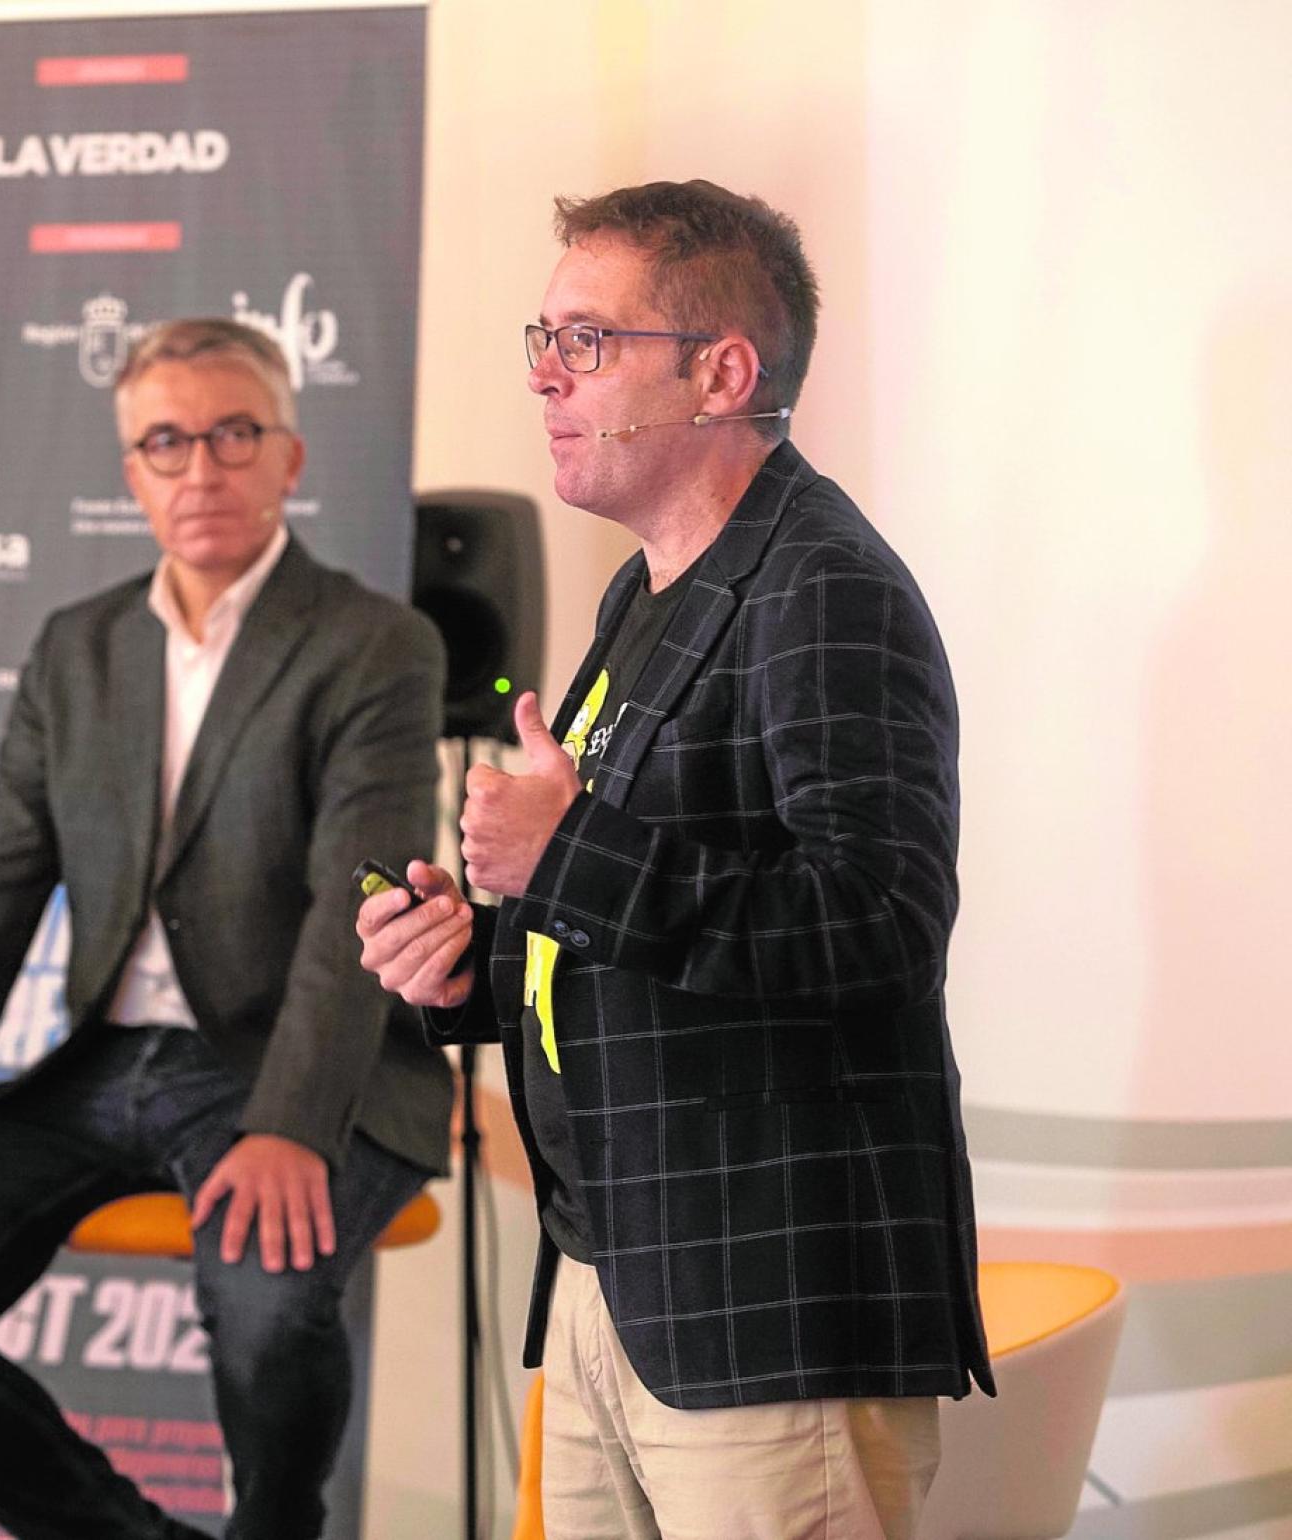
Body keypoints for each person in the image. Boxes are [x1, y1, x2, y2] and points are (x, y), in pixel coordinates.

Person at [357, 181, 994, 1540]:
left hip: (769, 1309)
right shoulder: (642, 589)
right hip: (608, 1283)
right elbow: (611, 930)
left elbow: (879, 924)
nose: (544, 375)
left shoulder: (824, 586)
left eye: (587, 342)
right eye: (542, 338)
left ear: (722, 373)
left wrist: (569, 848)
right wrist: (462, 966)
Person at [0, 318, 452, 1540]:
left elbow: (353, 901)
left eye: (232, 434)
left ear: (289, 456)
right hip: (105, 1062)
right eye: (165, 442)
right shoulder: (76, 649)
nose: (199, 468)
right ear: (131, 474)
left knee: (266, 1303)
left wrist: (290, 1122)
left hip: (292, 1061)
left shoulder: (375, 644)